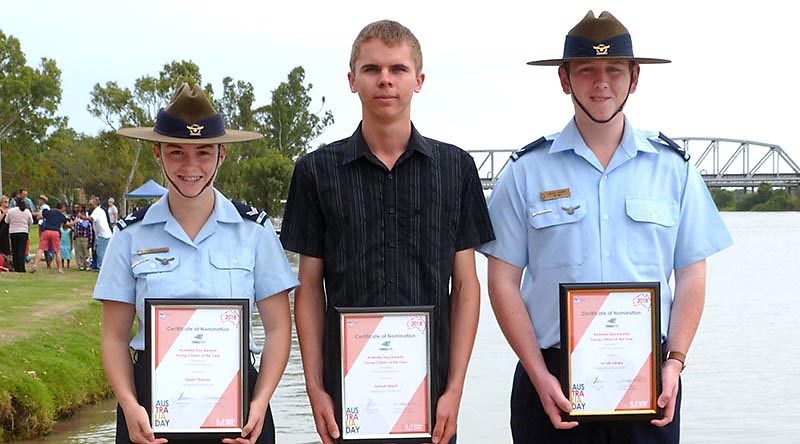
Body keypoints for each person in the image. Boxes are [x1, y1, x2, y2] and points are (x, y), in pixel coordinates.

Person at [478, 11, 734, 444]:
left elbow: (692, 272)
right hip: (551, 382)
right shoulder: (525, 173)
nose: (601, 83)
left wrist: (674, 363)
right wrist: (538, 374)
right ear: (564, 79)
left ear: (634, 78)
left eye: (614, 70)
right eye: (586, 70)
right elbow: (502, 279)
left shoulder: (674, 171)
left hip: (649, 382)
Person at [280, 20, 494, 444]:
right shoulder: (314, 172)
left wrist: (455, 388)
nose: (385, 80)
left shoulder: (457, 169)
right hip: (345, 399)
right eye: (372, 69)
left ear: (419, 79)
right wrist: (314, 385)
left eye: (397, 69)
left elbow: (467, 286)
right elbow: (307, 288)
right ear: (352, 79)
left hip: (433, 402)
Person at [93, 83, 298, 444]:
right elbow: (113, 336)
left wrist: (261, 399)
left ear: (221, 156)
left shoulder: (255, 232)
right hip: (149, 413)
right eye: (176, 152)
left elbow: (279, 329)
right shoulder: (129, 236)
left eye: (203, 152)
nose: (191, 166)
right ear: (158, 153)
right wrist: (128, 403)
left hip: (240, 411)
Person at [31, 202, 72, 273]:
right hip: (55, 232)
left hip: (46, 231)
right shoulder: (61, 215)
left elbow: (39, 217)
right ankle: (59, 269)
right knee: (57, 251)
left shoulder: (49, 212)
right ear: (62, 208)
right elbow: (67, 224)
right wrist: (75, 222)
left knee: (40, 249)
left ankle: (35, 265)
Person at [4, 198, 33, 272]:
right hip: (23, 232)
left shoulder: (11, 211)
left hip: (13, 232)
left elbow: (6, 221)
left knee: (15, 250)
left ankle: (16, 267)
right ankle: (21, 267)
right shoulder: (27, 211)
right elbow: (31, 221)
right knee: (21, 250)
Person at [87, 195, 112, 270]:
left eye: (91, 204)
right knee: (101, 251)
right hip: (103, 234)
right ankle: (102, 266)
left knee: (100, 252)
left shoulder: (97, 211)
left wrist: (81, 217)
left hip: (104, 235)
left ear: (95, 204)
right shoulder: (99, 210)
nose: (90, 206)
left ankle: (101, 267)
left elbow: (91, 218)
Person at [71, 203, 93, 270]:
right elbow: (74, 228)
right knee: (79, 252)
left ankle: (87, 265)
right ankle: (80, 265)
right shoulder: (76, 221)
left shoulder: (87, 222)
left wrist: (90, 241)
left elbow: (89, 231)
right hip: (78, 237)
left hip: (85, 238)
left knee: (86, 253)